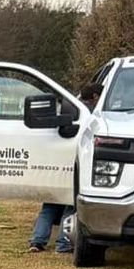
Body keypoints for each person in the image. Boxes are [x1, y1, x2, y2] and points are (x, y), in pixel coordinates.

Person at [29, 82, 101, 254]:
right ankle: (64, 242)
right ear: (96, 97)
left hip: (55, 162)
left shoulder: (68, 108)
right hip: (73, 164)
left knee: (50, 205)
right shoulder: (91, 114)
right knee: (70, 205)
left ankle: (38, 240)